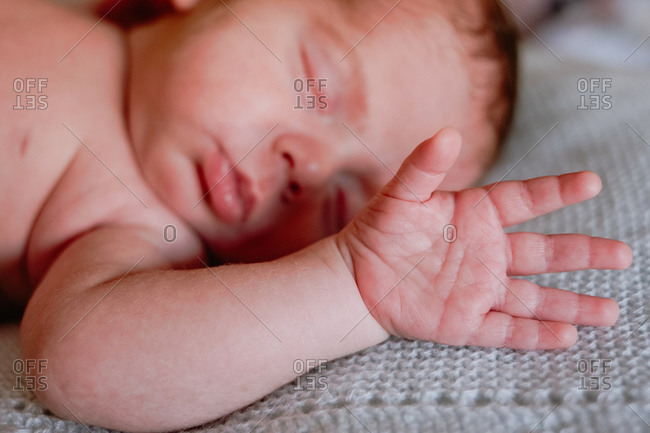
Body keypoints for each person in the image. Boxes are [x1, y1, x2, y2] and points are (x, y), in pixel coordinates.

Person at [1, 0, 631, 430]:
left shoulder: (136, 231)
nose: (308, 172)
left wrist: (353, 286)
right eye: (318, 91)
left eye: (342, 205)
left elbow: (77, 363)